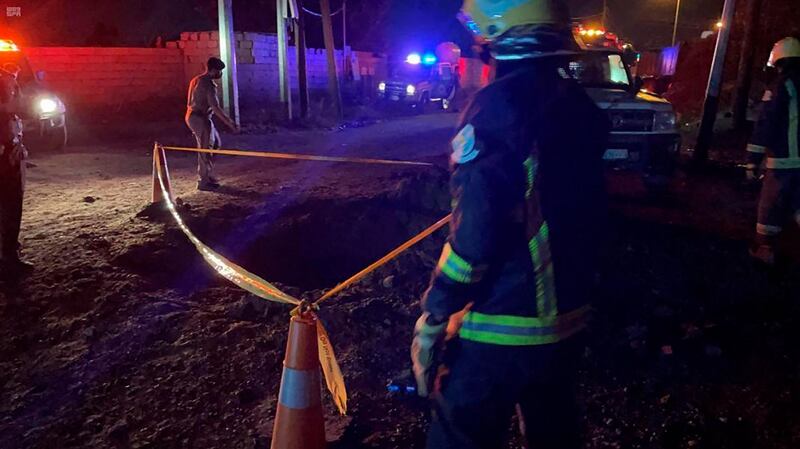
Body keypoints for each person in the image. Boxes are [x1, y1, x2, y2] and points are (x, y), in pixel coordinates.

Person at [410, 1, 610, 448]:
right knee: (553, 431)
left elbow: (475, 238)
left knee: (460, 434)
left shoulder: (496, 110)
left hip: (500, 328)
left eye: (481, 41)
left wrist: (436, 313)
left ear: (497, 43)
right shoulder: (579, 109)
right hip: (568, 323)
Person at [746, 37, 800, 265]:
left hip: (783, 159)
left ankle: (764, 249)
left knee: (770, 204)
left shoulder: (780, 86)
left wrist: (752, 161)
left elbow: (766, 124)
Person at [186, 57, 239, 191]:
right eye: (219, 71)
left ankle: (207, 174)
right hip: (199, 118)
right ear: (214, 70)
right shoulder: (208, 84)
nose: (220, 74)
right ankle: (203, 181)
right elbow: (215, 107)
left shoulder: (196, 79)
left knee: (215, 144)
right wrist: (230, 123)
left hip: (196, 116)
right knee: (205, 148)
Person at [0, 62, 32, 276]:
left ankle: (9, 253)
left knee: (10, 207)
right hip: (5, 159)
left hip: (10, 155)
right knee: (9, 207)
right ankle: (8, 258)